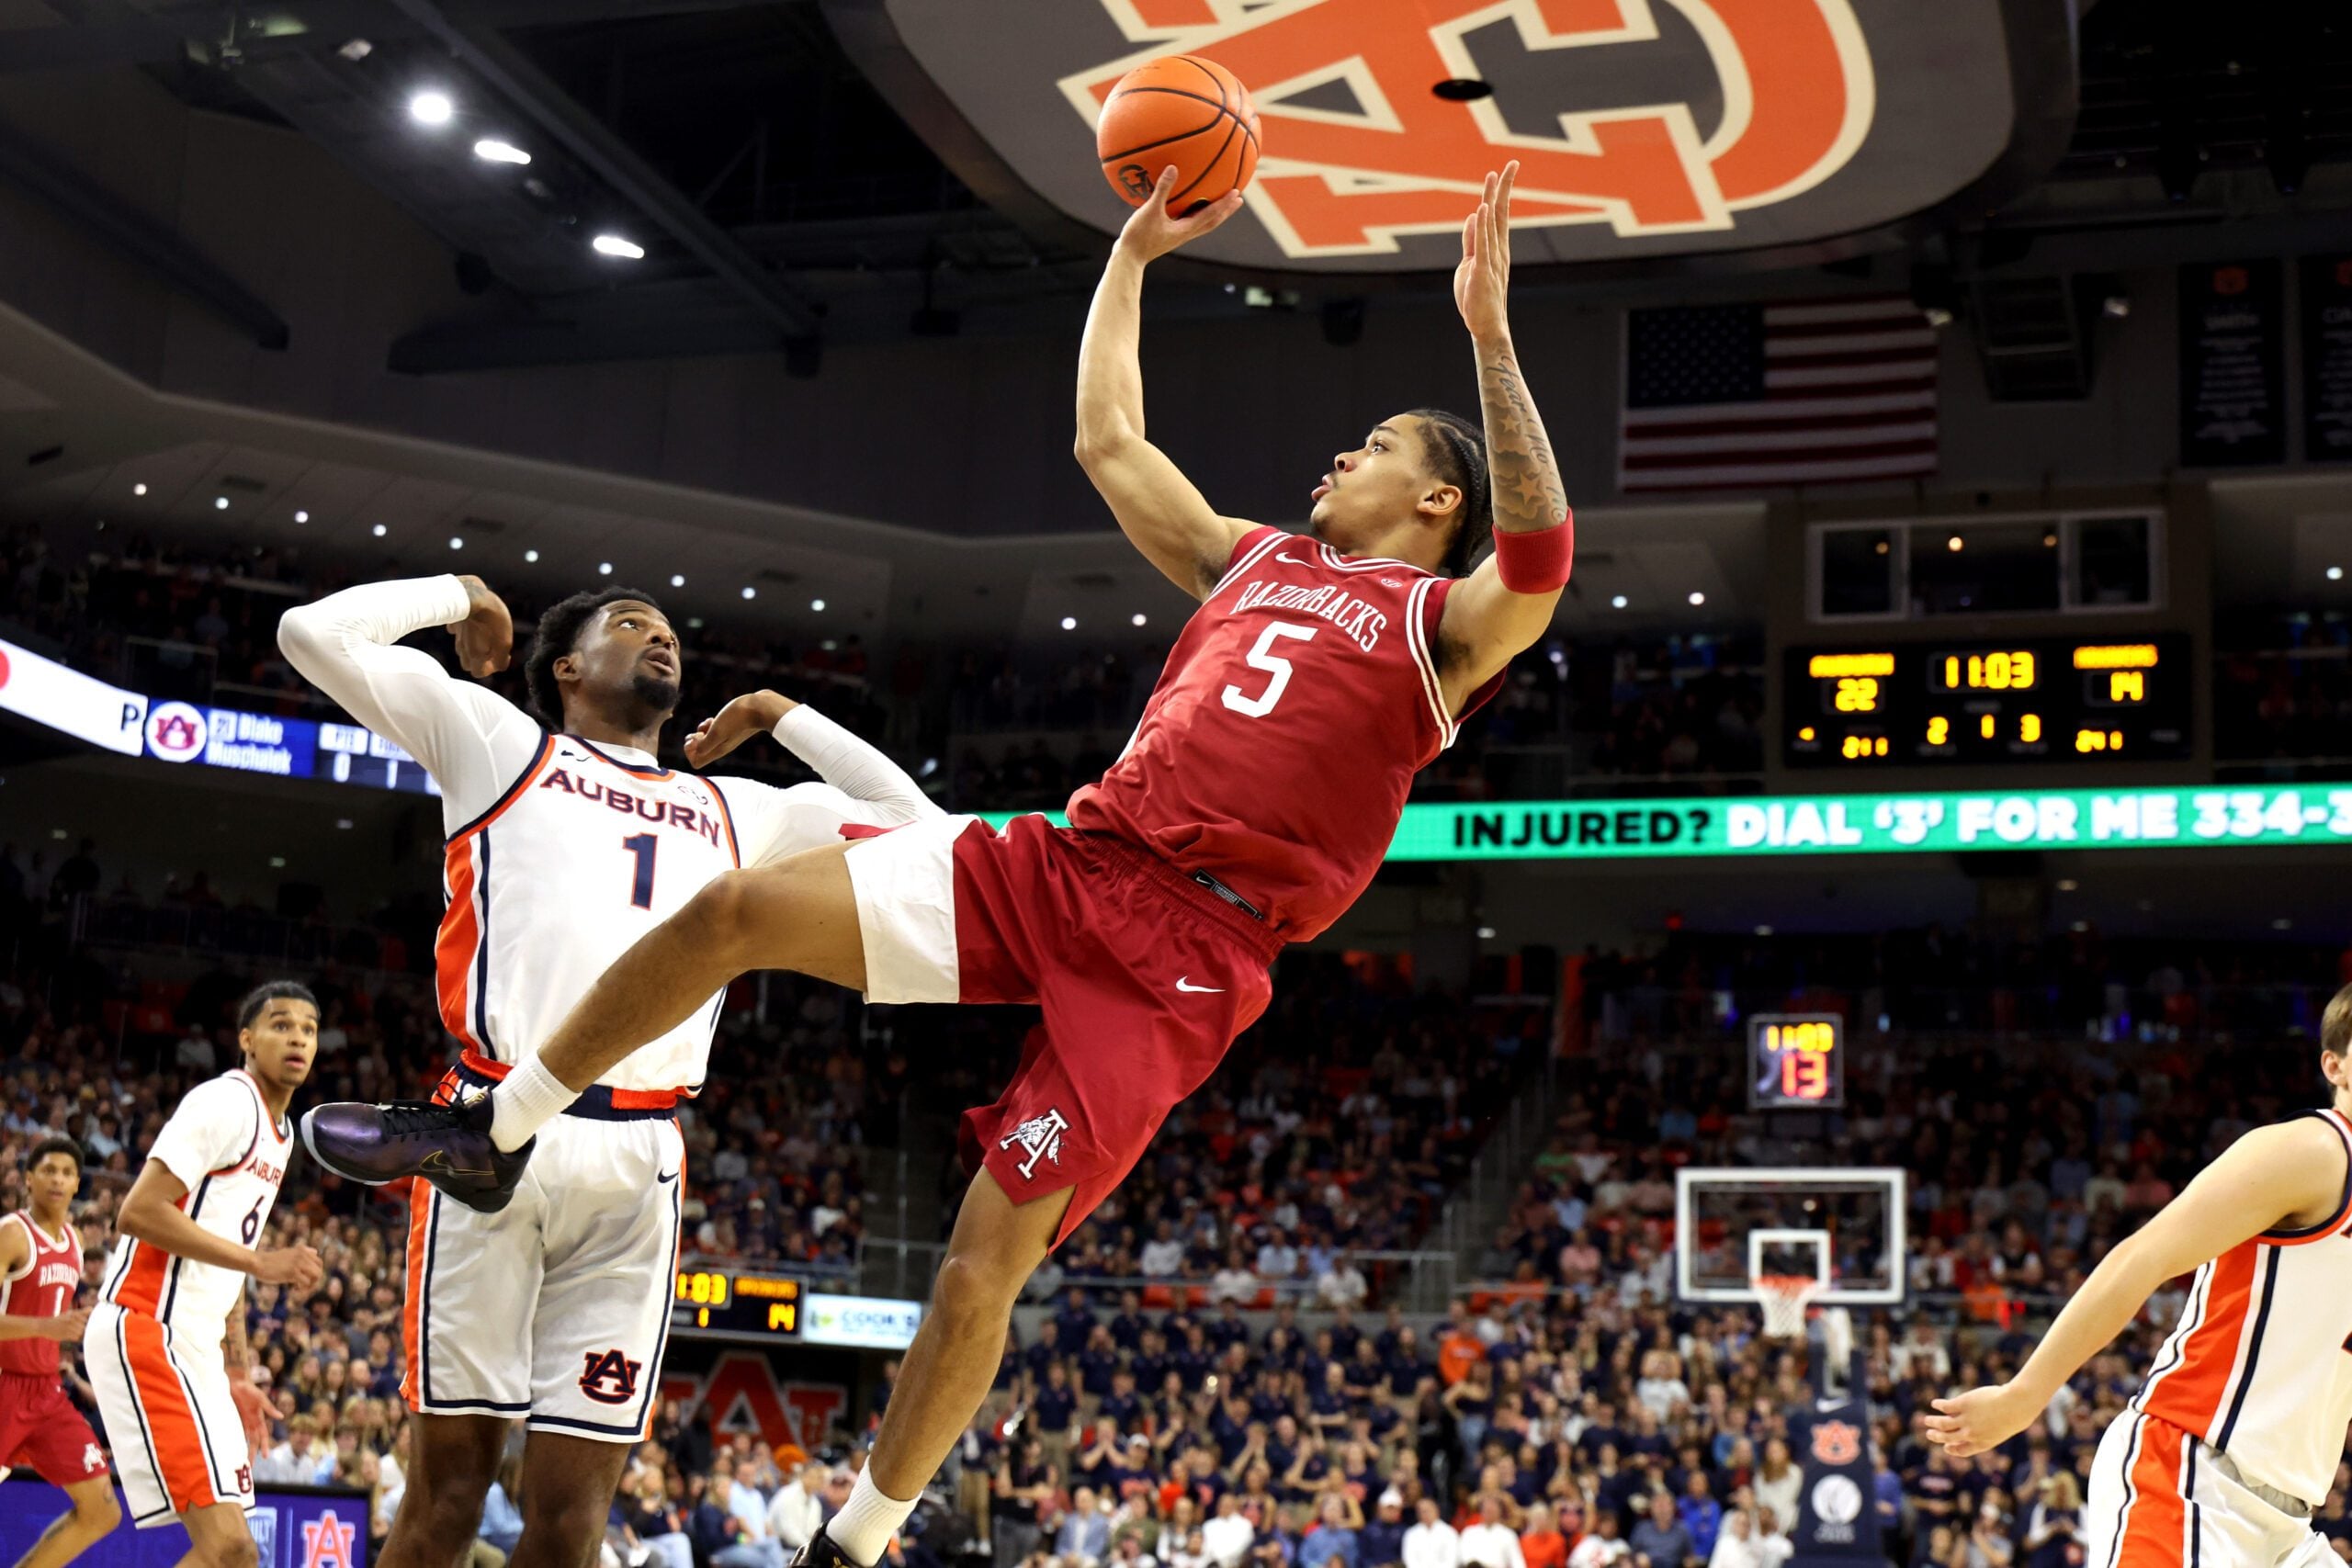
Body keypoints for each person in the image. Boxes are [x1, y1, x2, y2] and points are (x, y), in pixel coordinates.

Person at [307, 160, 1568, 1568]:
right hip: (1074, 856)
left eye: (1376, 446)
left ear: (1437, 496)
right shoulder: (1253, 560)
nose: (1341, 458)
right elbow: (1109, 439)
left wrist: (1492, 338)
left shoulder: (1447, 625)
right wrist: (1134, 257)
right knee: (735, 907)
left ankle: (854, 1538)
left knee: (983, 1262)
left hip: (1186, 954)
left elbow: (1545, 553)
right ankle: (498, 1122)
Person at [279, 573, 938, 1568]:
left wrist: (779, 712)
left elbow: (915, 823)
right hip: (486, 1137)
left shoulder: (736, 808)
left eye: (671, 630)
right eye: (633, 625)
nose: (662, 639)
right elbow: (309, 632)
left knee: (571, 1524)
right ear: (569, 668)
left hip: (639, 1163)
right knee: (447, 1498)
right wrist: (462, 597)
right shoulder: (502, 744)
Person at [1928, 983, 2352, 1568]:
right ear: (2335, 1065)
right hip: (2189, 1479)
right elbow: (2141, 1256)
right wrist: (2024, 1396)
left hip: (2290, 1522)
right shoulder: (2315, 1151)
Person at [84, 982, 325, 1567]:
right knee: (232, 1549)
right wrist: (260, 1262)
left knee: (231, 1557)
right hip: (147, 1327)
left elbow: (227, 1250)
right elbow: (136, 1211)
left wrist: (237, 1369)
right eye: (280, 1024)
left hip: (198, 1350)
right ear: (247, 1039)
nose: (297, 1037)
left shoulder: (282, 1133)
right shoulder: (225, 1102)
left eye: (309, 1029)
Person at [1, 1134, 122, 1568]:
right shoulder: (12, 1234)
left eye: (68, 1172)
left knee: (103, 1511)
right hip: (3, 1386)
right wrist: (45, 1327)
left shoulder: (72, 1241)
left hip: (46, 1391)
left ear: (77, 1185)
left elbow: (49, 1316)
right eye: (48, 1170)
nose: (58, 1179)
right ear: (28, 1179)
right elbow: (42, 1320)